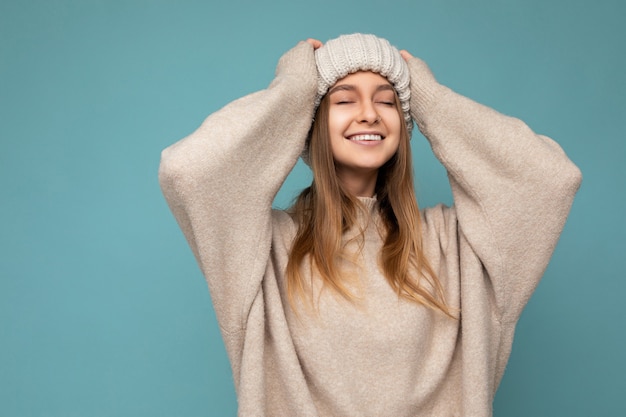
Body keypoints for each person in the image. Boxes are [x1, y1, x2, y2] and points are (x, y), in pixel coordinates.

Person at [159, 34, 581, 417]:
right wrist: (293, 90)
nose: (369, 114)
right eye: (343, 101)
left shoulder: (458, 247)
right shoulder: (261, 250)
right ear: (310, 122)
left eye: (387, 101)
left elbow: (551, 180)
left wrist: (432, 100)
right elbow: (188, 171)